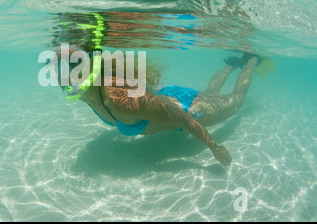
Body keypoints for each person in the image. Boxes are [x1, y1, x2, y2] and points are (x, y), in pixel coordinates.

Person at [56, 47, 259, 166]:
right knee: (210, 92)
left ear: (92, 67)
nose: (64, 75)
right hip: (164, 98)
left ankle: (251, 60)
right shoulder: (87, 96)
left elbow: (180, 117)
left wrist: (216, 149)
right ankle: (232, 64)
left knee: (237, 100)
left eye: (72, 66)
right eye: (58, 67)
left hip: (187, 110)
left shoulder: (119, 102)